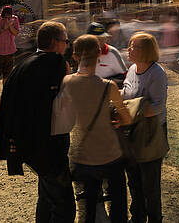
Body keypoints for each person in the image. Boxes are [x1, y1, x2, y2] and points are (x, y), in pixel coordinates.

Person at [0, 21, 75, 223]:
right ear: (55, 42)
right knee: (64, 205)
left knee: (47, 198)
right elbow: (67, 99)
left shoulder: (24, 63)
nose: (67, 45)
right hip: (47, 145)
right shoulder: (55, 63)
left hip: (25, 143)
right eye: (65, 41)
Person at [63, 34, 131, 223]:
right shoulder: (108, 87)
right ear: (99, 56)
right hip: (110, 154)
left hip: (84, 155)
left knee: (89, 208)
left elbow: (65, 120)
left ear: (75, 56)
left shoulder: (66, 83)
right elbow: (126, 118)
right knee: (118, 205)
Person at [123, 32, 168, 223]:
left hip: (151, 134)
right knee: (133, 181)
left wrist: (131, 109)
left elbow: (157, 107)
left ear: (146, 51)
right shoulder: (132, 69)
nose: (129, 49)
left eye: (134, 46)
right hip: (132, 132)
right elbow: (126, 93)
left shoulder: (157, 73)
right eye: (130, 45)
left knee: (150, 185)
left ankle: (154, 219)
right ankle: (138, 217)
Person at [0, 5, 20, 106]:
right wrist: (3, 28)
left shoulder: (15, 19)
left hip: (10, 51)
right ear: (2, 14)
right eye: (5, 17)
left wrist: (10, 25)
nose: (7, 18)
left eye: (9, 16)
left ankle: (5, 95)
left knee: (7, 76)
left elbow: (16, 33)